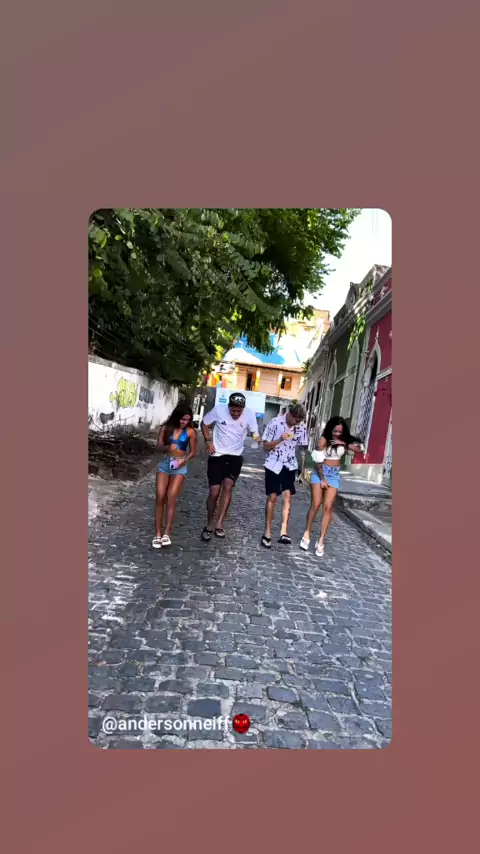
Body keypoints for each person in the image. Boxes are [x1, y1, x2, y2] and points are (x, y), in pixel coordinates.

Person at [300, 415, 364, 557]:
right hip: (320, 472)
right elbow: (317, 462)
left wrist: (343, 443)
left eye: (340, 431)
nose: (337, 433)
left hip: (334, 474)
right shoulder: (323, 440)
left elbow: (359, 449)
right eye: (335, 431)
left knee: (328, 507)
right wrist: (322, 479)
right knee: (316, 504)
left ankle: (321, 540)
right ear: (330, 429)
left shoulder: (343, 441)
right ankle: (307, 532)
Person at [200, 392, 259, 541]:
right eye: (233, 410)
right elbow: (204, 424)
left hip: (235, 457)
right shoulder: (219, 410)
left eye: (239, 411)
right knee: (214, 492)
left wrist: (257, 438)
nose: (236, 414)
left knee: (228, 486)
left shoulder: (249, 414)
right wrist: (208, 441)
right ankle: (209, 523)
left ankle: (219, 524)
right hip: (216, 455)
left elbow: (254, 432)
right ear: (228, 407)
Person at [260, 403, 307, 548]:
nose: (297, 423)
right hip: (273, 463)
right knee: (272, 497)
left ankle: (283, 532)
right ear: (290, 415)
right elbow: (265, 446)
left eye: (300, 421)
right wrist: (280, 439)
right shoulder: (275, 423)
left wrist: (302, 470)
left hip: (290, 464)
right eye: (296, 420)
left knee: (288, 497)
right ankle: (267, 532)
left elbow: (302, 449)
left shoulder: (301, 427)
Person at [152, 403, 197, 548]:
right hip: (166, 463)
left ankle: (167, 533)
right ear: (177, 417)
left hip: (180, 465)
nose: (184, 422)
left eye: (187, 420)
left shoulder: (190, 432)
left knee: (171, 496)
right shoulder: (166, 428)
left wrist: (183, 461)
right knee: (160, 496)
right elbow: (158, 447)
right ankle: (157, 533)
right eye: (182, 419)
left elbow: (193, 452)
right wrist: (167, 447)